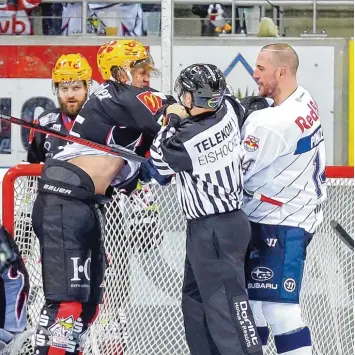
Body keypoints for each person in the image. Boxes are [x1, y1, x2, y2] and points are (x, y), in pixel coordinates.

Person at [31, 39, 178, 355]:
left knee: (89, 307)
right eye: (139, 70)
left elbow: (137, 171)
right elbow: (175, 110)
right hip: (62, 202)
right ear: (120, 72)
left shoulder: (129, 109)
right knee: (66, 309)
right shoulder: (114, 95)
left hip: (87, 206)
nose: (145, 76)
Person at [149, 63, 263, 355]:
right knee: (196, 302)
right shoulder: (227, 110)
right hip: (217, 226)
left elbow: (159, 160)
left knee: (228, 307)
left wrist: (170, 118)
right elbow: (244, 106)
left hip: (214, 229)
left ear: (190, 99)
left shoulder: (187, 137)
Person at [241, 43, 327, 355]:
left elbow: (237, 174)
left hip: (281, 222)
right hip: (291, 214)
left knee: (279, 310)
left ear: (281, 71)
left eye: (261, 69)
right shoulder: (304, 98)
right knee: (253, 305)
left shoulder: (269, 123)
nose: (254, 74)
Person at [27, 53, 92, 164]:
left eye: (76, 88)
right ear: (57, 90)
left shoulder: (103, 122)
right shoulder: (44, 123)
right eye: (64, 88)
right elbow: (31, 172)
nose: (70, 95)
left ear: (87, 88)